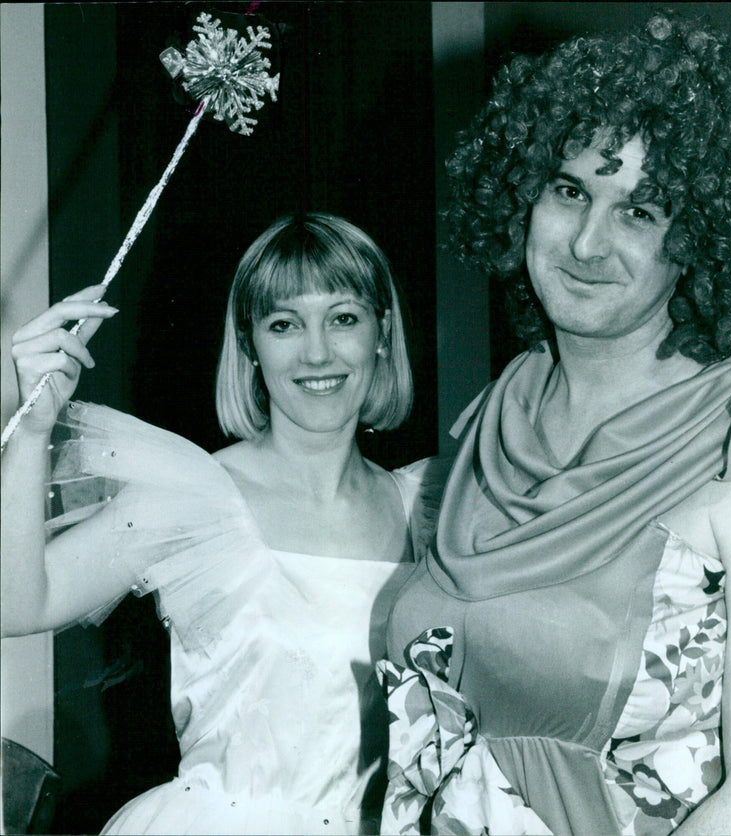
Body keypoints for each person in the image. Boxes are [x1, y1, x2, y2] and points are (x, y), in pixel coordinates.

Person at [378, 11, 731, 836]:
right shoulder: (496, 416)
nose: (587, 243)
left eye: (639, 213)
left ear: (701, 240)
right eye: (568, 191)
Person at [1, 213, 445, 835]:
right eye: (284, 324)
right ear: (250, 346)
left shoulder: (431, 506)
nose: (317, 351)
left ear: (382, 332)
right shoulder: (198, 498)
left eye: (343, 317)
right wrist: (33, 428)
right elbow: (18, 604)